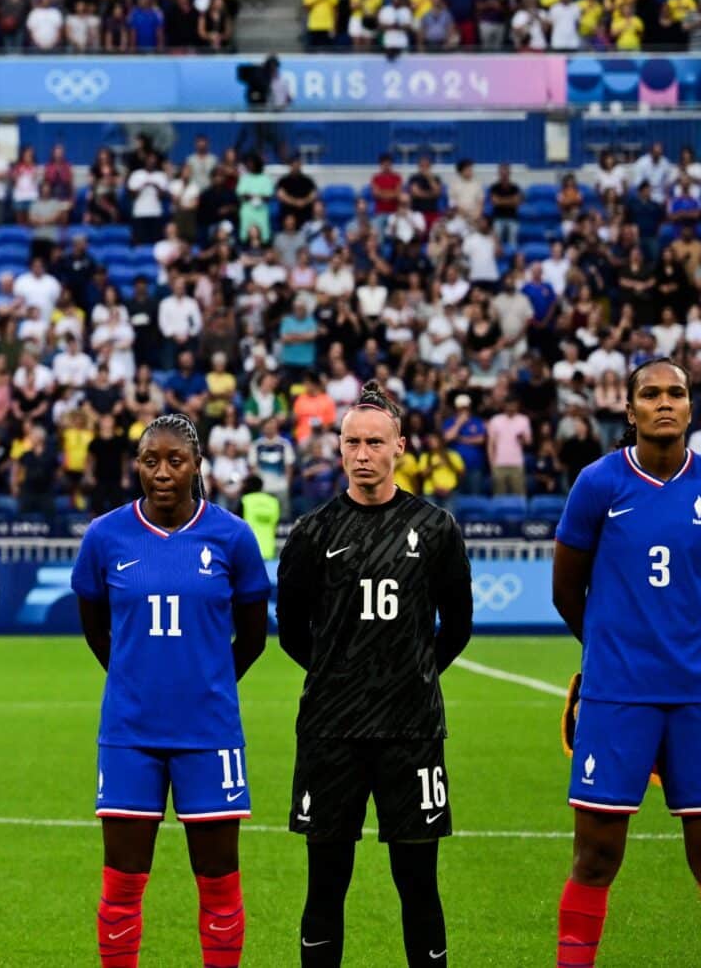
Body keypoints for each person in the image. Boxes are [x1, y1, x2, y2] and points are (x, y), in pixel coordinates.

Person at [551, 355, 701, 968]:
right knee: (595, 855)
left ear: (691, 407)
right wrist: (611, 655)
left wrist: (689, 649)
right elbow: (568, 590)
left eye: (676, 394)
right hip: (618, 696)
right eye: (651, 394)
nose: (664, 403)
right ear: (631, 409)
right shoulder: (598, 483)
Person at [277, 389, 473, 968]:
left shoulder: (434, 528)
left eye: (375, 443)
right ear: (339, 450)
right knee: (326, 882)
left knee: (417, 882)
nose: (363, 454)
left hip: (411, 732)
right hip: (330, 732)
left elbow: (457, 626)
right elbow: (291, 632)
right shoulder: (313, 533)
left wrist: (409, 675)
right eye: (352, 443)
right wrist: (342, 678)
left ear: (400, 448)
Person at [71, 412, 269, 968]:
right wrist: (135, 677)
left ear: (196, 466)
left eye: (175, 460)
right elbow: (95, 625)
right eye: (151, 461)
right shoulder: (106, 535)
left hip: (209, 733)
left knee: (219, 885)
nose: (162, 472)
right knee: (123, 886)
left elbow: (253, 637)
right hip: (130, 733)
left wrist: (206, 684)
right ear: (136, 466)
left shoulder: (231, 536)